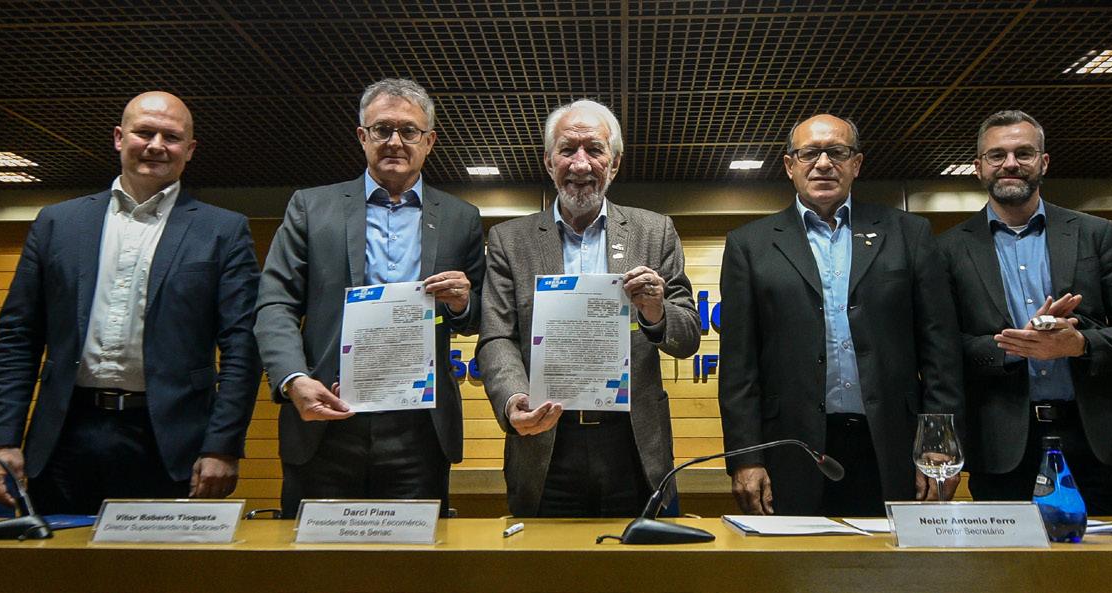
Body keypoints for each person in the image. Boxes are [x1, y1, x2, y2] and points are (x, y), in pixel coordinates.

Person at [0, 91, 261, 514]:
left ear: (190, 149)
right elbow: (18, 337)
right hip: (64, 435)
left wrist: (222, 445)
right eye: (144, 132)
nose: (156, 145)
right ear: (118, 137)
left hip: (171, 443)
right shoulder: (58, 223)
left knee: (161, 559)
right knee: (56, 555)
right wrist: (3, 440)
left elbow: (243, 346)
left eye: (171, 137)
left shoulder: (222, 231)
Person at [254, 79, 483, 518]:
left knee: (416, 555)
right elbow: (274, 303)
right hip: (326, 417)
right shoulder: (310, 208)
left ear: (429, 141)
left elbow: (476, 317)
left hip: (418, 430)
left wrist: (462, 303)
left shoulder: (461, 218)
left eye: (409, 131)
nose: (395, 141)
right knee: (315, 555)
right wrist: (293, 379)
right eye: (382, 129)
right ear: (362, 136)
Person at [718, 114, 962, 517]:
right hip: (790, 449)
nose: (823, 164)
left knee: (895, 556)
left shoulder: (909, 234)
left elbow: (941, 352)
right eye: (809, 153)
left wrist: (939, 443)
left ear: (856, 163)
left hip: (894, 445)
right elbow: (738, 367)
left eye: (837, 152)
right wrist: (745, 458)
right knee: (795, 557)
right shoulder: (750, 245)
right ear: (790, 165)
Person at [476, 100, 700, 518]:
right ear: (549, 161)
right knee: (544, 558)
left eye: (594, 149)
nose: (580, 163)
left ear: (614, 163)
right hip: (545, 443)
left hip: (632, 444)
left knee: (642, 557)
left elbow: (687, 337)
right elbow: (497, 336)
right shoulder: (509, 240)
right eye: (567, 149)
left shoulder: (655, 231)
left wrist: (656, 311)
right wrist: (513, 398)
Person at [937, 111, 1112, 514]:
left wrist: (1079, 344)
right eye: (997, 155)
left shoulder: (1096, 234)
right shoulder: (948, 249)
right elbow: (942, 349)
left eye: (1023, 153)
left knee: (1107, 552)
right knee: (1008, 555)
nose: (1010, 164)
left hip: (1095, 438)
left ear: (1043, 162)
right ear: (978, 167)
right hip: (1002, 446)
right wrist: (1014, 347)